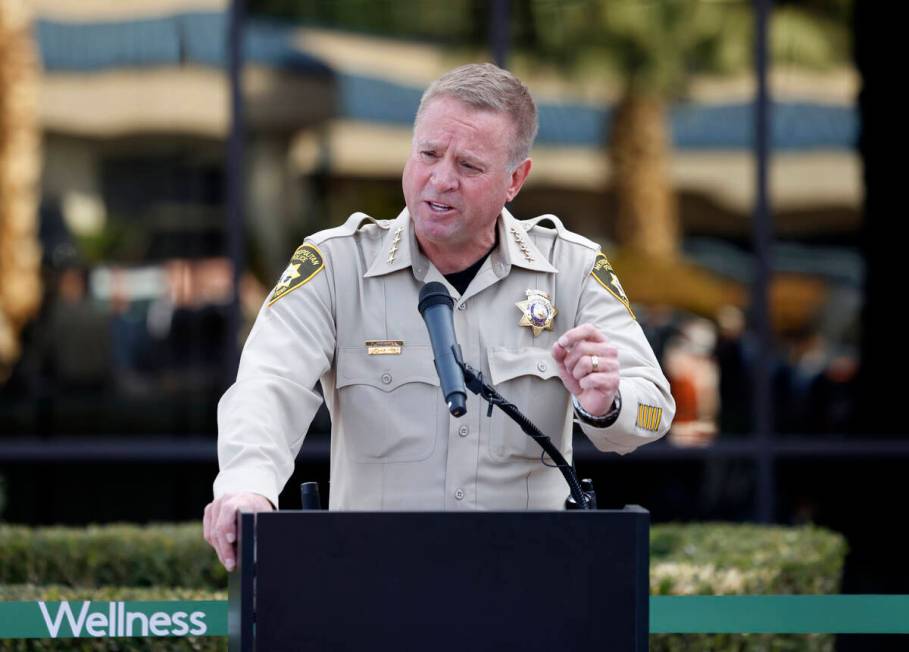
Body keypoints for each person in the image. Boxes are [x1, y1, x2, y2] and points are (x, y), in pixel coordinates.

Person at [204, 63, 675, 571]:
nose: (441, 179)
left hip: (525, 582)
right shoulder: (336, 265)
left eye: (469, 166)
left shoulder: (572, 270)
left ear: (515, 179)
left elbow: (655, 410)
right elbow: (267, 384)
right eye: (428, 154)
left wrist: (609, 402)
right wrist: (247, 486)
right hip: (373, 581)